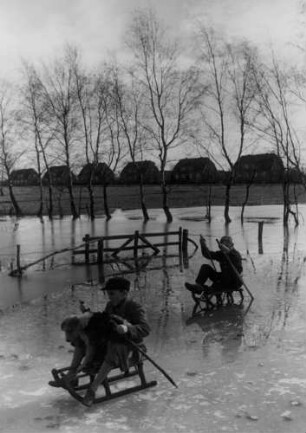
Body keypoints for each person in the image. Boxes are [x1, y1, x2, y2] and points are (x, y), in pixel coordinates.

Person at [82, 276, 150, 407]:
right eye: (108, 294)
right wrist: (88, 313)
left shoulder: (134, 307)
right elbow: (105, 320)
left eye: (112, 293)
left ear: (124, 293)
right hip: (114, 341)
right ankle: (79, 372)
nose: (109, 297)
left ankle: (93, 389)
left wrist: (127, 328)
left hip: (132, 347)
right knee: (89, 340)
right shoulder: (110, 305)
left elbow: (145, 329)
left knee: (113, 348)